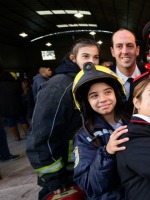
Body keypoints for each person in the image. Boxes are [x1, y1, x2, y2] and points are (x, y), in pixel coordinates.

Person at [26, 38, 100, 200]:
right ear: (73, 58)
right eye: (86, 56)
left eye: (95, 57)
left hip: (82, 169)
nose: (92, 62)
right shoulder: (59, 85)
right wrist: (54, 179)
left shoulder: (87, 82)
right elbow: (40, 137)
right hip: (64, 179)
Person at [72, 63, 131, 199]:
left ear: (117, 93)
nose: (103, 99)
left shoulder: (134, 122)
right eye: (94, 96)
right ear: (86, 102)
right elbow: (89, 185)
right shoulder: (84, 137)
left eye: (107, 92)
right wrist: (107, 153)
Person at [110, 28, 146, 100]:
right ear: (113, 52)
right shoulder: (105, 78)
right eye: (119, 46)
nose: (125, 51)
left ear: (137, 50)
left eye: (130, 46)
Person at [0, 65, 30, 140]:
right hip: (17, 104)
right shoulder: (16, 83)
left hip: (5, 106)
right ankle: (28, 134)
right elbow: (22, 92)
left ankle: (17, 137)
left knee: (11, 122)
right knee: (23, 120)